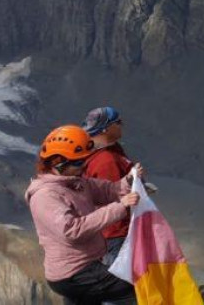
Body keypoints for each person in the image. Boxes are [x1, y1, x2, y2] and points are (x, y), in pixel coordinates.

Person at [27, 125, 143, 305]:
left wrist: (128, 180)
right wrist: (120, 207)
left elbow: (108, 190)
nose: (84, 165)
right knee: (136, 290)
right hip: (75, 273)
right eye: (78, 162)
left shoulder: (76, 182)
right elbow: (71, 230)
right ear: (59, 163)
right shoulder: (45, 196)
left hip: (85, 267)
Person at [80, 107, 133, 265]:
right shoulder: (106, 161)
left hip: (113, 231)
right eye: (118, 122)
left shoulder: (112, 150)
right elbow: (113, 195)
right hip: (115, 233)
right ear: (106, 128)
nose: (122, 125)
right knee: (121, 276)